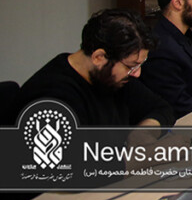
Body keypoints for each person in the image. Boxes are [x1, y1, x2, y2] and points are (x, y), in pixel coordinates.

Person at [10, 8, 174, 127]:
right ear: (99, 57)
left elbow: (162, 108)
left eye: (140, 65)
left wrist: (144, 133)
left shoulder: (112, 77)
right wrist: (147, 154)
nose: (137, 74)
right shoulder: (52, 97)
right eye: (131, 66)